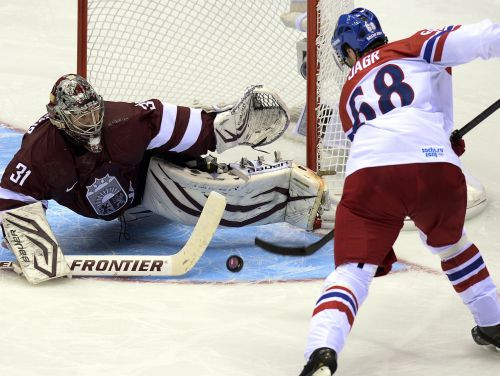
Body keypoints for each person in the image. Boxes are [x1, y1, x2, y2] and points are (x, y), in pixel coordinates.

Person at [298, 8, 500, 376]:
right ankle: (493, 322)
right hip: (433, 164)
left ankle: (322, 351)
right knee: (455, 246)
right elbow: (480, 39)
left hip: (369, 176)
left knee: (352, 272)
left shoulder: (347, 93)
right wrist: (442, 142)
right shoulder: (413, 46)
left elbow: (383, 147)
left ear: (347, 51)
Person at [0, 74, 295, 284]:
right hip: (118, 199)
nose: (93, 123)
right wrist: (28, 241)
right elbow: (12, 195)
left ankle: (290, 196)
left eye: (94, 112)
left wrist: (220, 128)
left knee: (200, 193)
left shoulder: (123, 119)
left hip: (145, 180)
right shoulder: (40, 154)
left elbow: (166, 119)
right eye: (82, 118)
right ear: (59, 119)